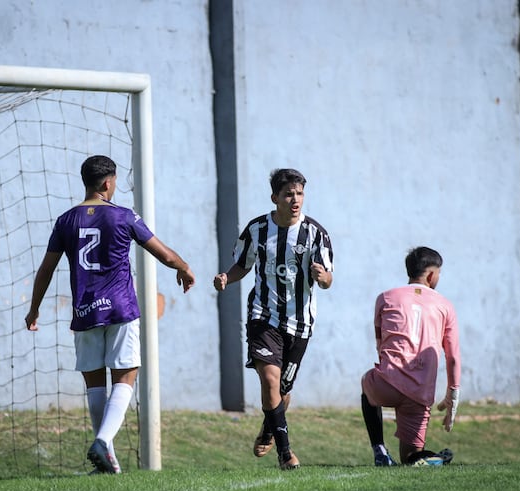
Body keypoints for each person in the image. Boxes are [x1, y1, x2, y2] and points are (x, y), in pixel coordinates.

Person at [25, 155, 195, 474]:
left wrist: (34, 309)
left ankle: (107, 461)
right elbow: (164, 254)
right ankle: (103, 442)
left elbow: (45, 270)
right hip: (120, 307)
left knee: (94, 383)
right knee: (126, 376)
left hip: (84, 310)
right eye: (114, 182)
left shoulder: (65, 220)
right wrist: (184, 267)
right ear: (107, 183)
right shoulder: (124, 216)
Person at [213, 168, 333, 470]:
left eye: (300, 193)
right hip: (263, 316)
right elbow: (242, 264)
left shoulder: (316, 233)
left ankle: (269, 426)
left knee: (281, 392)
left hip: (301, 323)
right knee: (269, 380)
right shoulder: (256, 229)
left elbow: (328, 278)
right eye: (289, 194)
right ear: (275, 198)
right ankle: (285, 454)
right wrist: (227, 276)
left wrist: (323, 277)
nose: (295, 200)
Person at [360, 246, 460, 466]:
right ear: (432, 275)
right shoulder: (445, 305)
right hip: (420, 393)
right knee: (411, 460)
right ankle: (434, 459)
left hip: (387, 383)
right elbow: (452, 356)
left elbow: (380, 342)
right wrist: (453, 394)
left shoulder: (385, 298)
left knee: (366, 384)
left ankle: (380, 452)